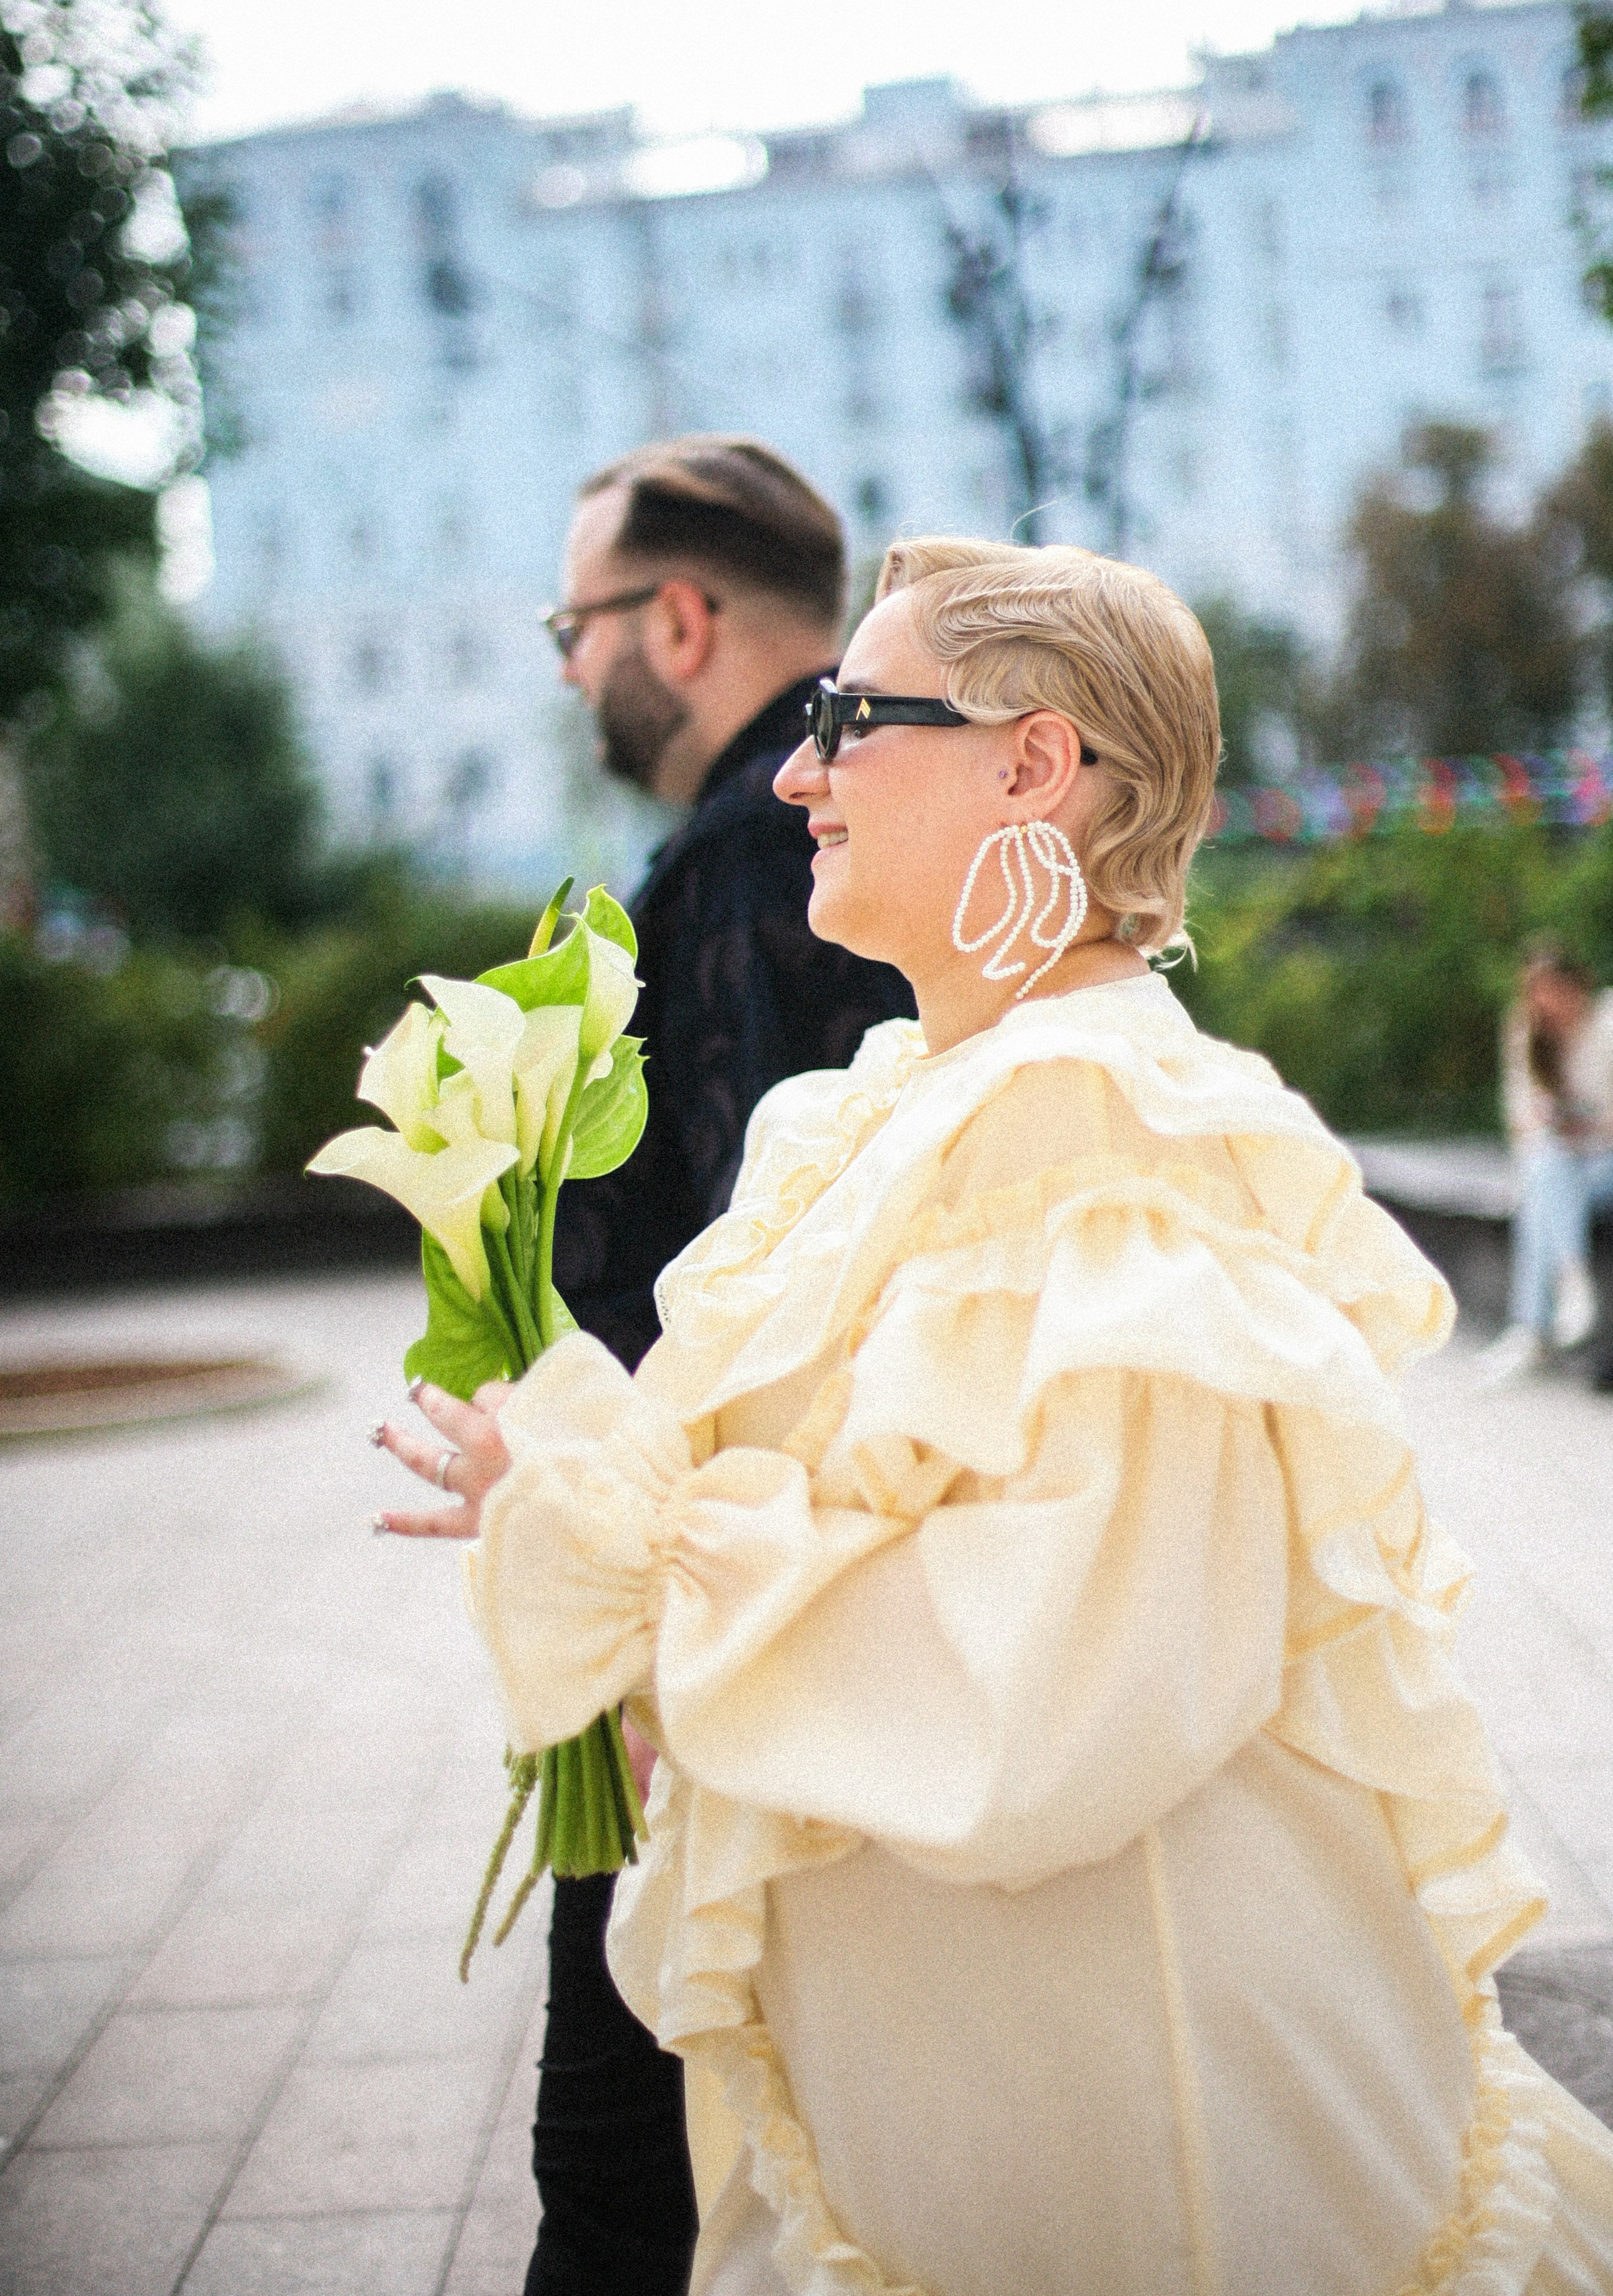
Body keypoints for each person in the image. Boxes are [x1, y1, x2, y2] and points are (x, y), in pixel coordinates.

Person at [384, 538, 1613, 2295]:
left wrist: (635, 1565)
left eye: (846, 720)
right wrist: (584, 1518)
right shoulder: (897, 1105)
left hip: (1145, 2116)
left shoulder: (1102, 1135)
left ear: (1034, 765)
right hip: (961, 2085)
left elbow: (1058, 1690)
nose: (797, 774)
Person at [385, 435, 908, 2296]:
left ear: (676, 620)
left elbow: (766, 1292)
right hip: (722, 1591)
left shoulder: (765, 858)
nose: (567, 665)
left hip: (696, 1610)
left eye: (574, 624)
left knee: (615, 2178)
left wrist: (612, 1544)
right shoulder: (816, 837)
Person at [1478, 945, 1613, 1388]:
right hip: (1561, 1165)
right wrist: (1551, 1125)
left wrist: (1590, 1127)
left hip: (1606, 1161)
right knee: (1545, 1172)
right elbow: (1519, 1121)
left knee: (1544, 1185)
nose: (1549, 1006)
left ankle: (1533, 1330)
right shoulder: (1526, 1032)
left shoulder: (1608, 1022)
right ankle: (1571, 1282)